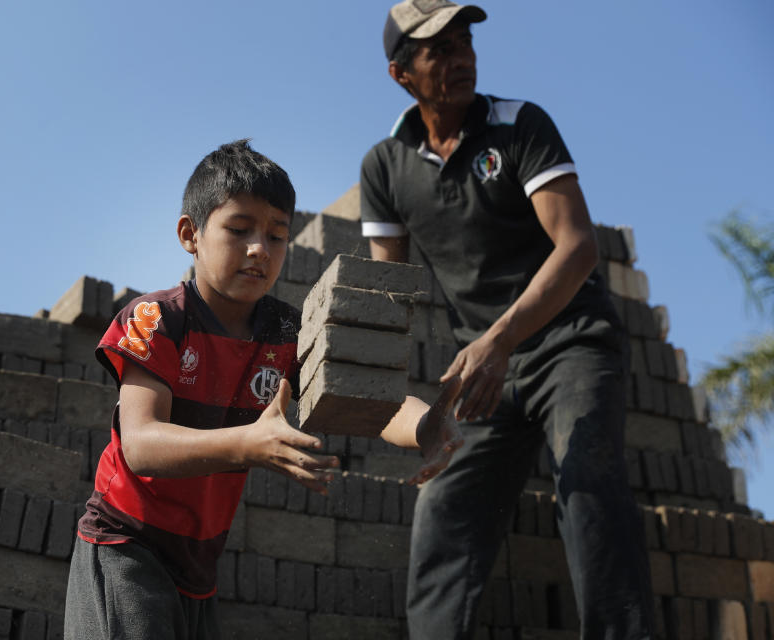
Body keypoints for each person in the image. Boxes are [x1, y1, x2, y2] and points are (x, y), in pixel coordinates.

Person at [360, 2, 655, 638]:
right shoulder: (385, 167)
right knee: (443, 513)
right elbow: (391, 294)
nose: (461, 57)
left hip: (569, 344)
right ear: (401, 74)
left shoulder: (519, 125)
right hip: (485, 373)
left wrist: (499, 338)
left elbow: (577, 247)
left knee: (587, 484)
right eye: (439, 50)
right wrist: (377, 392)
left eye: (465, 42)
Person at [64, 140, 342, 640]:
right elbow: (142, 444)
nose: (260, 248)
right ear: (190, 234)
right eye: (239, 230)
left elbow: (365, 397)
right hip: (127, 546)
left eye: (278, 236)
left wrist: (426, 425)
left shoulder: (287, 335)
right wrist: (247, 444)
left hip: (199, 567)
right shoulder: (158, 319)